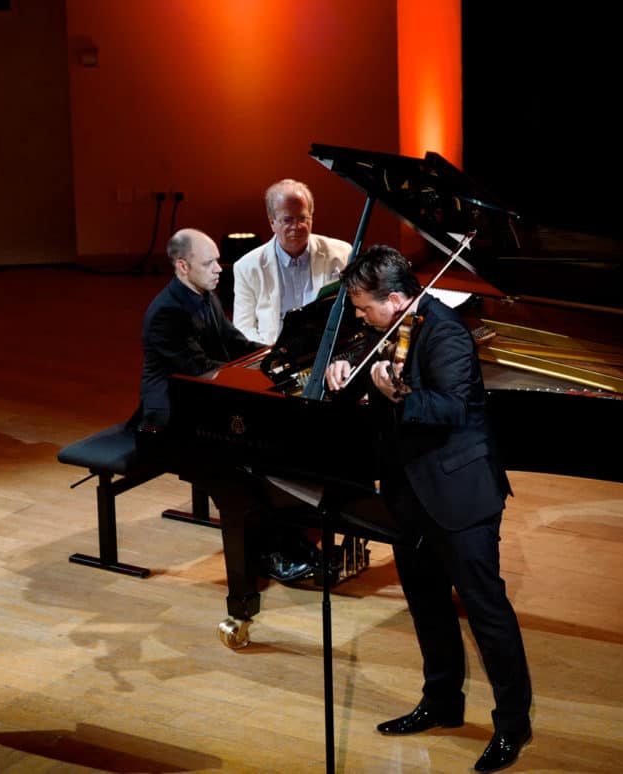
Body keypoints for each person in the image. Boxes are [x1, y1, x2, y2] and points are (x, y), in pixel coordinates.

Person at [325, 245, 533, 773]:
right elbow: (357, 354)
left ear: (396, 299)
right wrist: (343, 368)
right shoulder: (385, 326)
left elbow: (452, 408)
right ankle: (442, 702)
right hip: (408, 493)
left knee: (486, 612)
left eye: (364, 306)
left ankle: (513, 724)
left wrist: (398, 396)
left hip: (460, 494)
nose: (358, 315)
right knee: (425, 601)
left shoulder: (446, 334)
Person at [129, 227, 316, 583]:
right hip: (166, 421)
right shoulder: (167, 312)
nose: (219, 268)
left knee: (269, 452)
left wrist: (276, 358)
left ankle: (293, 538)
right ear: (182, 267)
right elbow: (199, 371)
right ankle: (269, 554)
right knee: (241, 469)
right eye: (209, 262)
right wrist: (251, 381)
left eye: (218, 259)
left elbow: (233, 343)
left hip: (199, 405)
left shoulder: (204, 296)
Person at [232, 178, 353, 345]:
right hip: (273, 356)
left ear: (312, 217)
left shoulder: (342, 253)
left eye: (303, 218)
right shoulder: (246, 267)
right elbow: (243, 328)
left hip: (328, 349)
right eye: (288, 220)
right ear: (272, 222)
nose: (296, 227)